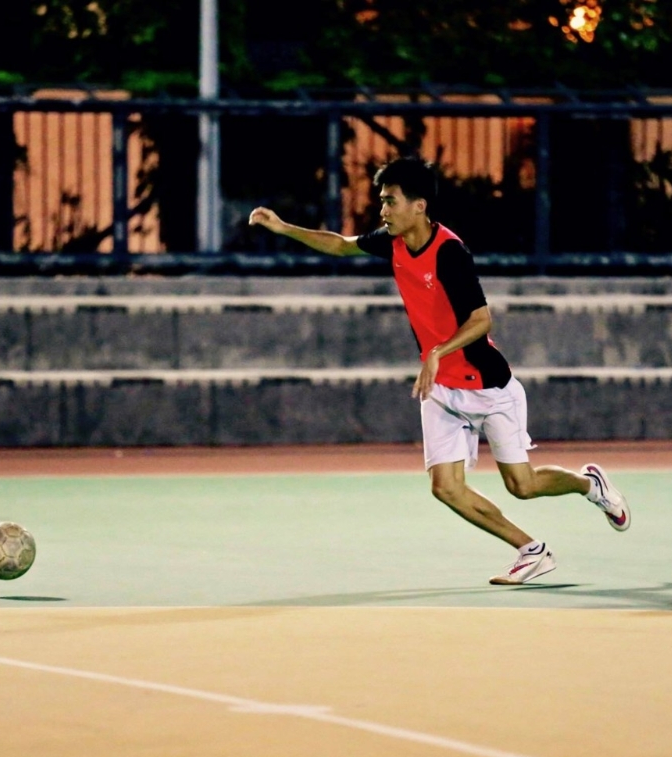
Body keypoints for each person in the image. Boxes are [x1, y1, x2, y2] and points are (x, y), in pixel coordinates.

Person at [248, 156, 630, 585]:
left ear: (419, 206)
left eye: (390, 201)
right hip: (440, 389)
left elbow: (482, 320)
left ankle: (589, 484)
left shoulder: (450, 252)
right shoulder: (392, 242)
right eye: (382, 201)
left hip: (486, 385)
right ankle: (532, 550)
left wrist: (438, 351)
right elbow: (340, 244)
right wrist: (283, 228)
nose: (383, 210)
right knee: (445, 487)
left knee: (522, 486)